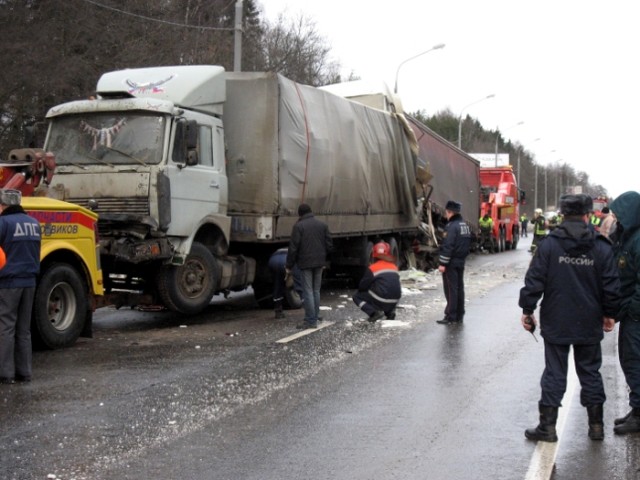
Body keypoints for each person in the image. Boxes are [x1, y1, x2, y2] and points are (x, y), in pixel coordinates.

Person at [519, 194, 620, 442]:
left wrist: (527, 309)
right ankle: (596, 427)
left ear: (562, 215)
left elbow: (535, 279)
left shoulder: (550, 245)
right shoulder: (601, 246)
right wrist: (609, 314)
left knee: (554, 372)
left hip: (557, 320)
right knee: (590, 372)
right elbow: (611, 285)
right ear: (587, 215)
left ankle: (547, 427)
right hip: (588, 320)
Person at [0, 189, 42, 385]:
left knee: (6, 327)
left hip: (9, 282)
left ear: (4, 205)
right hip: (30, 282)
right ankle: (24, 372)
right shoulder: (34, 224)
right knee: (24, 329)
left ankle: (5, 374)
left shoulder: (3, 223)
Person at [608, 191, 640, 434]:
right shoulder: (626, 237)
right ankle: (636, 408)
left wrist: (631, 310)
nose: (615, 218)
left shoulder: (638, 240)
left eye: (619, 214)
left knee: (634, 360)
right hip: (630, 311)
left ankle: (639, 415)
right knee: (628, 359)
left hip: (636, 314)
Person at [286, 203, 333, 329]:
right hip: (319, 262)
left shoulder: (298, 226)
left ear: (300, 214)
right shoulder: (322, 225)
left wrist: (289, 265)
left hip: (305, 263)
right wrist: (325, 259)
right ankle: (315, 316)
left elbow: (293, 247)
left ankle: (310, 320)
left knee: (308, 291)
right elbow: (329, 245)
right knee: (316, 290)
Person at [436, 200, 471, 325]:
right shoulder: (464, 225)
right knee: (459, 288)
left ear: (450, 212)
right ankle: (459, 315)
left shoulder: (451, 227)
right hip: (460, 261)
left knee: (451, 289)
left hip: (451, 262)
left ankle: (450, 316)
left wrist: (442, 263)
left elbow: (448, 246)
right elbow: (467, 245)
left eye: (447, 212)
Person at [352, 241, 402, 323]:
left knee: (357, 296)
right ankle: (390, 312)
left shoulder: (373, 268)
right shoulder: (394, 267)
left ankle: (373, 313)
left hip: (381, 299)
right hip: (395, 300)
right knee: (388, 290)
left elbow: (363, 286)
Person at [267, 248, 302, 319]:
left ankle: (278, 311)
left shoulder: (285, 249)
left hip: (273, 260)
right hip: (286, 260)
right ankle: (311, 313)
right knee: (300, 286)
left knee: (278, 285)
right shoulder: (300, 254)